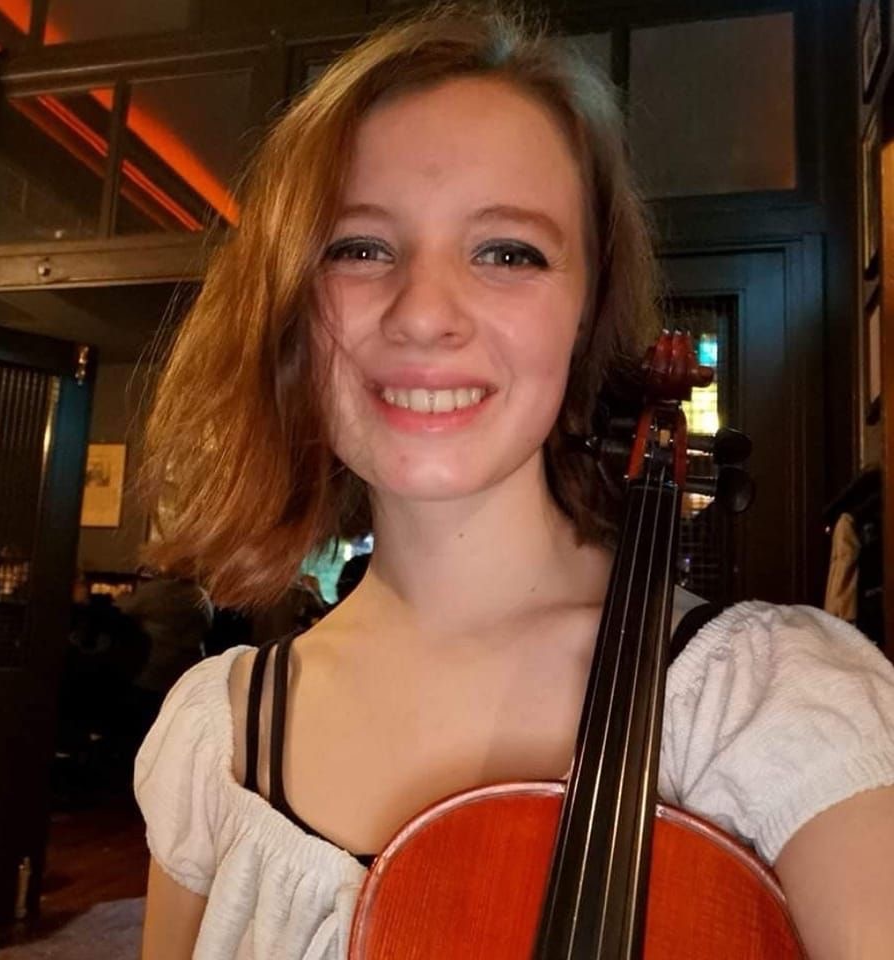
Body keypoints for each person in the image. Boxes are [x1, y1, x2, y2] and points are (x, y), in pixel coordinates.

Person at [134, 6, 894, 959]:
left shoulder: (772, 709)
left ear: (585, 311)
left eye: (508, 252)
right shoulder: (216, 739)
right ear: (291, 305)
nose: (423, 314)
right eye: (358, 247)